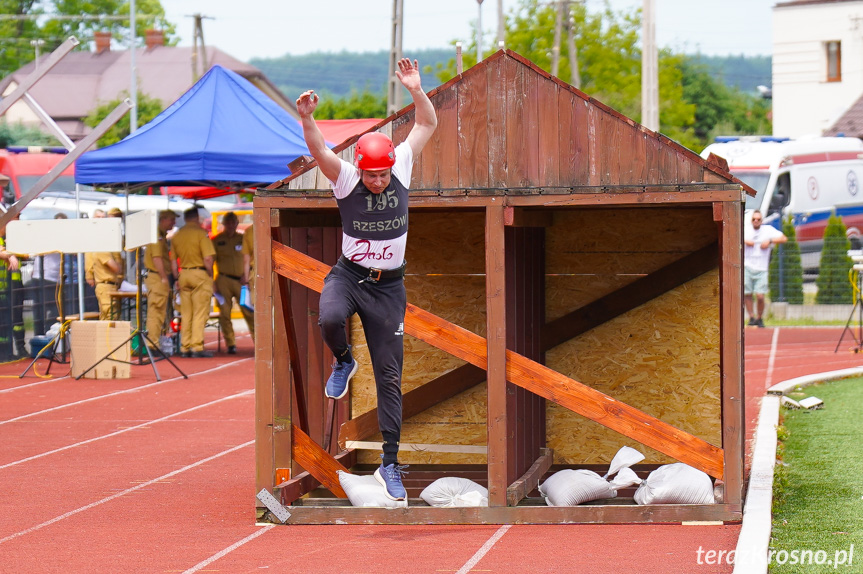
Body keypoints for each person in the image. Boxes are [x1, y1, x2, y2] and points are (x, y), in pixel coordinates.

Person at [296, 57, 437, 501]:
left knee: (389, 377)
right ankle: (342, 359)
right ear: (360, 165)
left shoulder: (401, 167)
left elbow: (427, 124)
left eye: (382, 174)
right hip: (350, 275)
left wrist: (415, 89)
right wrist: (308, 118)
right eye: (372, 174)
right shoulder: (348, 177)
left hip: (388, 287)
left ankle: (390, 463)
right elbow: (320, 151)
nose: (377, 182)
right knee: (330, 316)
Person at [171, 207, 216, 358]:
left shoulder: (177, 235)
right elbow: (208, 258)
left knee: (186, 312)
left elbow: (172, 260)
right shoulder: (201, 233)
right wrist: (210, 274)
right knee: (199, 312)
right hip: (199, 273)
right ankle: (196, 346)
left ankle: (185, 346)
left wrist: (177, 277)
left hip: (183, 273)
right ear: (197, 218)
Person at [212, 212, 253, 354]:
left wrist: (247, 276)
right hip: (224, 279)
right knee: (224, 313)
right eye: (228, 223)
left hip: (241, 280)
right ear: (224, 224)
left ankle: (258, 342)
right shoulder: (217, 240)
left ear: (236, 223)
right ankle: (231, 344)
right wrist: (213, 282)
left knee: (249, 311)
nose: (230, 225)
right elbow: (210, 261)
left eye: (233, 222)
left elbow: (251, 257)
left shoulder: (243, 238)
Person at [744, 210, 787, 327]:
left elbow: (784, 238)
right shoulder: (745, 230)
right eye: (754, 219)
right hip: (747, 265)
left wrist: (770, 241)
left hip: (762, 267)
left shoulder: (767, 230)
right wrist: (745, 241)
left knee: (760, 296)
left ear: (761, 221)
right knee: (747, 293)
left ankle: (760, 317)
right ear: (751, 220)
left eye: (758, 219)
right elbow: (733, 237)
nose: (756, 221)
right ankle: (751, 317)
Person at [143, 210, 177, 352]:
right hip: (157, 277)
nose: (174, 223)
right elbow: (157, 258)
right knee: (156, 311)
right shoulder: (157, 236)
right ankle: (152, 344)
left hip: (157, 276)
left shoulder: (161, 235)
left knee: (160, 311)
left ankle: (156, 341)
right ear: (163, 219)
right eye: (171, 220)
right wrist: (164, 277)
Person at [30, 213, 68, 336]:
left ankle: (50, 337)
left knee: (53, 311)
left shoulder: (63, 236)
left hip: (53, 278)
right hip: (42, 277)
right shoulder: (48, 236)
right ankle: (40, 338)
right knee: (40, 311)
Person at [241, 223, 255, 342]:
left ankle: (260, 341)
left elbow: (246, 259)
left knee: (257, 308)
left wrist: (246, 279)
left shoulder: (250, 231)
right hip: (276, 269)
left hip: (255, 273)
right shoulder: (273, 225)